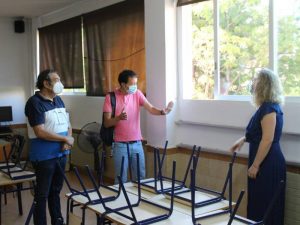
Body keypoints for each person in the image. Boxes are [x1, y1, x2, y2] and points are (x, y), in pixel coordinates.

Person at [230, 68, 286, 225]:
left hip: (268, 163)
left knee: (265, 205)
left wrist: (255, 165)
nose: (253, 83)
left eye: (256, 80)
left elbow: (268, 139)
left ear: (264, 85)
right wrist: (243, 139)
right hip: (263, 161)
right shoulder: (265, 107)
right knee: (258, 204)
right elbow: (259, 134)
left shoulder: (269, 108)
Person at [103, 69, 173, 183]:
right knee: (121, 179)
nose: (135, 86)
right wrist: (118, 118)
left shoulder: (137, 94)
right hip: (120, 145)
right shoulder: (111, 97)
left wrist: (162, 112)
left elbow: (150, 108)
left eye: (136, 83)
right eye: (132, 84)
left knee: (140, 178)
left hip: (137, 144)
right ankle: (122, 200)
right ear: (123, 84)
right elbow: (106, 123)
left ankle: (138, 201)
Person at [25, 69, 74, 225]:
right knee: (42, 195)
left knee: (55, 192)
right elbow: (40, 132)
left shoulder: (58, 100)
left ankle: (57, 221)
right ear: (46, 83)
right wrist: (65, 138)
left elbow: (68, 124)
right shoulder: (34, 102)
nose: (60, 83)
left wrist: (67, 140)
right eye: (56, 80)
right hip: (44, 157)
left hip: (60, 155)